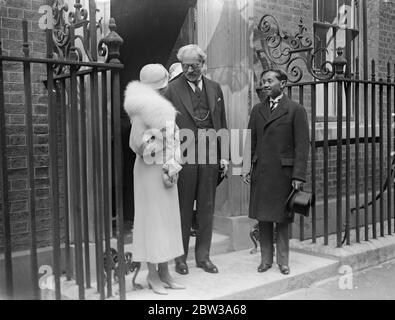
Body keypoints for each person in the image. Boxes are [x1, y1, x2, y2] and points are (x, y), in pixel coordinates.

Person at [166, 44, 229, 275]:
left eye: (194, 65)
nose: (190, 70)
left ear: (203, 64)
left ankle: (203, 257)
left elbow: (221, 122)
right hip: (184, 154)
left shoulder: (215, 88)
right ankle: (180, 259)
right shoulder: (171, 89)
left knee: (206, 207)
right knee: (183, 208)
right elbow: (165, 125)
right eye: (185, 66)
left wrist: (224, 156)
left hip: (211, 152)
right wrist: (170, 158)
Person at [124, 63, 185, 295]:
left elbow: (176, 137)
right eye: (162, 86)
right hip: (149, 171)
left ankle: (165, 272)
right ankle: (152, 274)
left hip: (166, 168)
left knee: (168, 221)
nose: (164, 90)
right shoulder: (141, 111)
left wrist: (173, 159)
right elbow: (137, 145)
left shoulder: (162, 108)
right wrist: (162, 138)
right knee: (153, 222)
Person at [242, 69, 309, 275]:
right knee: (263, 218)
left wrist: (298, 175)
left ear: (283, 83)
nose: (265, 85)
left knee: (281, 218)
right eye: (263, 82)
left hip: (284, 174)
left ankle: (283, 261)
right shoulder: (257, 110)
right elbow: (249, 141)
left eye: (270, 80)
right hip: (261, 172)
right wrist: (246, 167)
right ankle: (265, 260)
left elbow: (302, 145)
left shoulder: (295, 110)